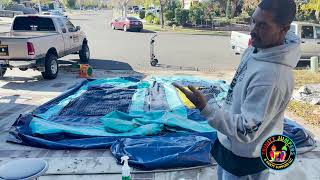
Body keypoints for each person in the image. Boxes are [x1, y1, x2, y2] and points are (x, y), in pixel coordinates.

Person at [173, 0, 300, 179]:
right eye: (253, 21)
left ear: (284, 30)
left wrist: (205, 108)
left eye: (263, 25)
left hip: (247, 158)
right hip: (230, 145)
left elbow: (245, 130)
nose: (253, 30)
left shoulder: (272, 78)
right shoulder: (255, 50)